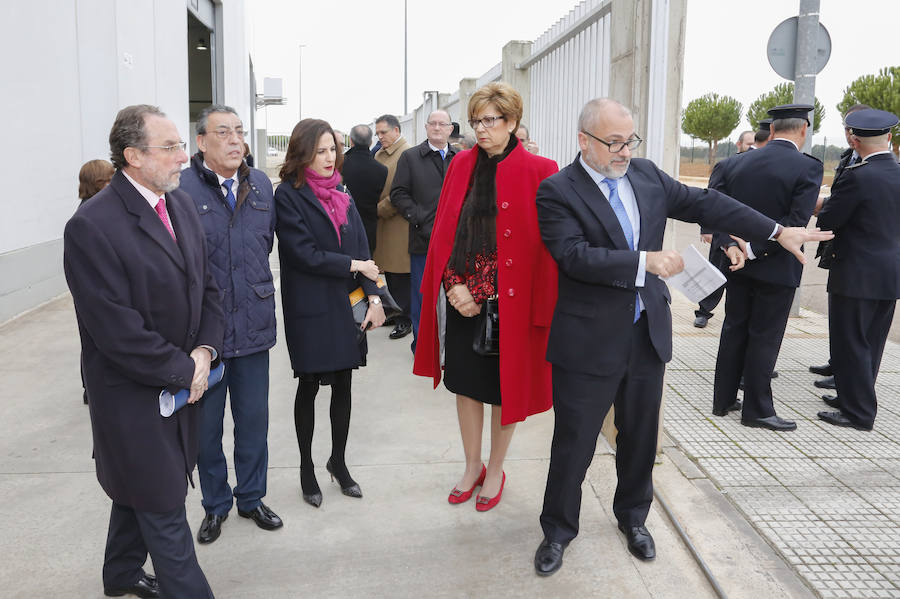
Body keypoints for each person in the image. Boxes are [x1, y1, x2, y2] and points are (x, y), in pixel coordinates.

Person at [532, 97, 832, 575]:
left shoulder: (646, 175)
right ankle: (558, 531)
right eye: (613, 143)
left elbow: (707, 203)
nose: (624, 151)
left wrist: (775, 231)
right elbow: (573, 255)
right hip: (587, 340)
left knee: (641, 437)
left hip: (645, 332)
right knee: (574, 442)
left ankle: (633, 518)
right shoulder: (557, 190)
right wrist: (643, 262)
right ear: (584, 140)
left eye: (630, 140)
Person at [63, 104, 223, 598]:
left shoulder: (178, 206)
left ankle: (121, 574)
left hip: (182, 386)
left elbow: (210, 290)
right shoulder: (92, 226)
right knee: (163, 505)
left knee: (141, 490)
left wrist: (204, 351)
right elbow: (116, 331)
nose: (182, 156)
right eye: (170, 147)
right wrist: (185, 369)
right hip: (133, 401)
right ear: (132, 155)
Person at [414, 82, 559, 513]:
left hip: (507, 305)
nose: (481, 130)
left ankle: (495, 468)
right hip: (460, 297)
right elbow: (446, 231)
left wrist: (481, 291)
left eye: (490, 121)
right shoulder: (460, 164)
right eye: (476, 121)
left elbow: (536, 247)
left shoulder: (541, 169)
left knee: (504, 389)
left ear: (512, 122)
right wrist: (454, 284)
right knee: (465, 385)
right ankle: (471, 464)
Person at [178, 105, 282, 545]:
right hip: (207, 334)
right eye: (224, 132)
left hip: (255, 326)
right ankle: (215, 505)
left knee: (254, 421)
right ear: (202, 142)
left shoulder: (259, 183)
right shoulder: (181, 188)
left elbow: (267, 241)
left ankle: (252, 497)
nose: (236, 140)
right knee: (206, 430)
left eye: (239, 131)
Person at [275, 119, 386, 508]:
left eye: (332, 149)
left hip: (345, 305)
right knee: (308, 386)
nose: (328, 158)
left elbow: (362, 249)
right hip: (309, 306)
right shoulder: (288, 196)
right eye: (319, 151)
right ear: (302, 153)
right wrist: (355, 266)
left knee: (344, 384)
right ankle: (306, 467)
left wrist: (374, 299)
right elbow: (302, 254)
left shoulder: (342, 190)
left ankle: (337, 462)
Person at [710, 104, 824, 432]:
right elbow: (796, 223)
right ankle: (757, 409)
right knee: (765, 336)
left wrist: (734, 246)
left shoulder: (733, 163)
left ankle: (723, 399)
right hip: (776, 266)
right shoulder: (808, 168)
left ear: (772, 130)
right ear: (803, 131)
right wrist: (755, 248)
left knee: (734, 328)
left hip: (737, 263)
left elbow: (714, 211)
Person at [815, 109, 900, 431]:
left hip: (855, 273)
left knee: (850, 342)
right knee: (872, 342)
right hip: (889, 272)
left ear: (853, 139)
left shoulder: (858, 176)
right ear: (889, 138)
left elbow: (829, 220)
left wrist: (823, 206)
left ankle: (858, 414)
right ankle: (852, 398)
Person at [810, 103, 872, 391]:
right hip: (839, 245)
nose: (848, 134)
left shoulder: (873, 165)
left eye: (852, 128)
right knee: (839, 312)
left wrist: (823, 211)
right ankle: (837, 363)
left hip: (858, 251)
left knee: (853, 320)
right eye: (846, 127)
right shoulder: (848, 157)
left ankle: (846, 375)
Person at [391, 109, 457, 353]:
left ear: (451, 129)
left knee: (455, 294)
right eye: (433, 124)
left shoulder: (459, 158)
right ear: (426, 127)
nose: (437, 128)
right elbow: (398, 193)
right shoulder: (411, 157)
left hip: (456, 241)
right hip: (423, 240)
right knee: (424, 296)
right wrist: (417, 217)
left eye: (443, 124)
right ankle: (423, 347)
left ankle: (450, 346)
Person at [693, 130, 755, 328]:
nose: (752, 147)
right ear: (739, 145)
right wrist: (707, 229)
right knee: (715, 274)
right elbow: (711, 198)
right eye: (749, 144)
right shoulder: (727, 166)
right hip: (724, 231)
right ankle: (703, 311)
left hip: (749, 235)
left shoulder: (759, 169)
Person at [76, 158, 115, 405]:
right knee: (94, 341)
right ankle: (90, 387)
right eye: (109, 179)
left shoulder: (91, 208)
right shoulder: (89, 217)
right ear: (99, 183)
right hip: (94, 292)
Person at [373, 115, 413, 339]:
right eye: (377, 133)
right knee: (389, 273)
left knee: (400, 275)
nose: (380, 137)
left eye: (383, 133)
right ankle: (395, 312)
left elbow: (401, 191)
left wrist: (377, 209)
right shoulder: (380, 153)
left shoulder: (405, 154)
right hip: (382, 223)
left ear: (396, 130)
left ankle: (405, 318)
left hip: (396, 225)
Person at [342, 124, 388, 256]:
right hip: (369, 229)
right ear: (371, 142)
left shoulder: (340, 164)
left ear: (351, 141)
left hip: (343, 227)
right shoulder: (382, 170)